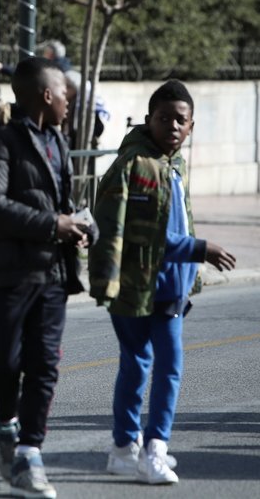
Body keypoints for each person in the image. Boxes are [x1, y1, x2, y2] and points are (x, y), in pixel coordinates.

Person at [88, 80, 237, 484]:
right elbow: (132, 232)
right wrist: (199, 249)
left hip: (171, 288)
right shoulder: (132, 165)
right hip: (134, 285)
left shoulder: (175, 165)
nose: (172, 125)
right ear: (149, 120)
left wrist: (192, 270)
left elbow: (178, 219)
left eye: (180, 120)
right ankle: (131, 448)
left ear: (191, 127)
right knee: (137, 365)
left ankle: (149, 447)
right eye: (164, 118)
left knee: (168, 367)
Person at [0, 57, 91, 498]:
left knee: (45, 365)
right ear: (45, 95)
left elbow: (64, 201)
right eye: (65, 95)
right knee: (9, 361)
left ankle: (29, 454)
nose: (68, 103)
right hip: (12, 273)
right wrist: (51, 224)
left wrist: (79, 226)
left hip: (54, 270)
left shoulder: (58, 141)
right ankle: (6, 423)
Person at [0, 39, 72, 77]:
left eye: (45, 52)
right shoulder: (67, 68)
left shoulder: (49, 69)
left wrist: (2, 67)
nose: (43, 55)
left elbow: (24, 74)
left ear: (51, 54)